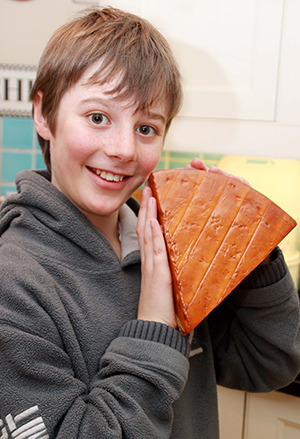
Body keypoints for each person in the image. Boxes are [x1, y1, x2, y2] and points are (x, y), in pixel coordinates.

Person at [0, 7, 299, 439]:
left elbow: (269, 364)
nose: (123, 149)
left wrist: (245, 248)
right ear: (44, 115)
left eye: (146, 128)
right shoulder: (14, 285)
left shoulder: (169, 243)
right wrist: (157, 326)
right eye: (98, 117)